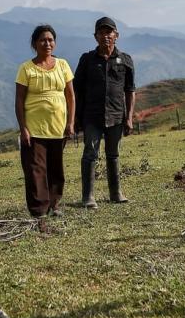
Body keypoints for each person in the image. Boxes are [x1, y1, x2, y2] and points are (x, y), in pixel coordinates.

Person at [74, 16, 136, 209]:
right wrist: (75, 117)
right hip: (91, 116)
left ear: (116, 35)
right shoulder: (87, 60)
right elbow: (77, 90)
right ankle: (88, 197)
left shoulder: (125, 60)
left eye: (109, 32)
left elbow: (130, 91)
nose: (105, 36)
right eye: (101, 33)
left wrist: (129, 118)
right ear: (95, 36)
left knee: (113, 154)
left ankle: (115, 193)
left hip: (116, 117)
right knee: (90, 154)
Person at [15, 25, 76, 219]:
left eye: (50, 40)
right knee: (35, 170)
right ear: (34, 44)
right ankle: (38, 210)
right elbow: (18, 101)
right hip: (34, 129)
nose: (47, 43)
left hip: (58, 127)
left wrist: (70, 122)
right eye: (43, 40)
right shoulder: (26, 69)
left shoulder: (63, 65)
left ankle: (54, 204)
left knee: (56, 169)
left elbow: (71, 97)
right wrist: (23, 128)